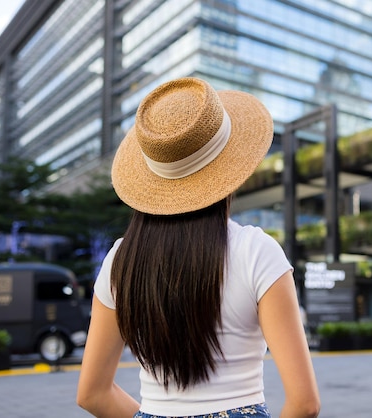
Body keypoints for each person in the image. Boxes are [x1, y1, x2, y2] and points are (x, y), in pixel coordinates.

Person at [77, 77, 320, 418]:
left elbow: (92, 394)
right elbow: (305, 404)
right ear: (231, 166)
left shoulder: (120, 260)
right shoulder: (256, 251)